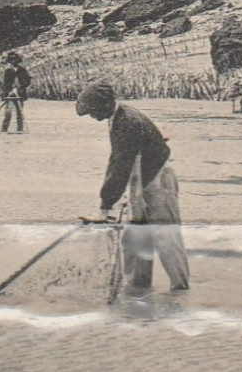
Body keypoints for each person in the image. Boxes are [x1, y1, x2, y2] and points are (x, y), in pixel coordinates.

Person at [75, 79, 189, 293]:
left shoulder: (128, 122)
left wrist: (106, 204)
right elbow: (116, 160)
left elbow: (121, 165)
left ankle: (181, 291)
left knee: (167, 239)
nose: (92, 117)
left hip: (158, 180)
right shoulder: (117, 118)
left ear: (105, 104)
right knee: (137, 237)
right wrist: (114, 198)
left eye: (93, 111)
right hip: (140, 181)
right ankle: (138, 289)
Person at [0, 52, 31, 134]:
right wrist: (8, 91)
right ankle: (4, 130)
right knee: (8, 113)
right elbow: (5, 84)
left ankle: (20, 130)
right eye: (11, 60)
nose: (13, 61)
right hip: (10, 95)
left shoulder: (22, 70)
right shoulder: (8, 71)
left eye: (15, 59)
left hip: (20, 94)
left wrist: (20, 87)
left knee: (19, 113)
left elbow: (27, 82)